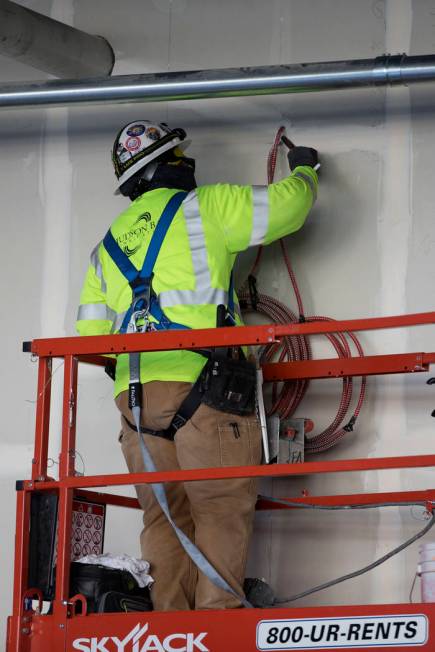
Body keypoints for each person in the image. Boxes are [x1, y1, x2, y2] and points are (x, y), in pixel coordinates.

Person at [76, 120, 319, 611]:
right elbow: (288, 207)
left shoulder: (108, 244)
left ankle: (170, 631)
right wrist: (306, 171)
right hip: (207, 389)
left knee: (164, 519)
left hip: (137, 404)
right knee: (221, 510)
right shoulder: (204, 206)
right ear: (170, 164)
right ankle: (217, 628)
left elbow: (90, 338)